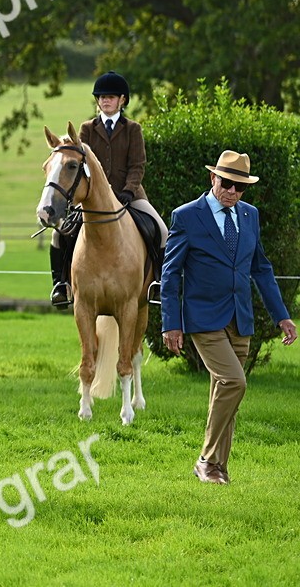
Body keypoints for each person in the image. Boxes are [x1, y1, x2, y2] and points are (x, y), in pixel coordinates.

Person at [161, 150, 296, 484]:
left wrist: (282, 316)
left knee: (225, 393)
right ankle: (206, 459)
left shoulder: (249, 216)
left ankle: (218, 468)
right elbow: (171, 274)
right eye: (227, 184)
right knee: (234, 382)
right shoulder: (187, 217)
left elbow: (261, 269)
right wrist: (171, 323)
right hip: (203, 318)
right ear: (213, 179)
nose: (233, 192)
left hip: (241, 318)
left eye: (240, 187)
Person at [49, 71, 168, 306]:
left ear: (122, 100)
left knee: (161, 230)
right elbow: (81, 165)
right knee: (58, 233)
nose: (105, 101)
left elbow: (137, 165)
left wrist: (129, 190)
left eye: (111, 97)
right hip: (93, 199)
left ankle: (158, 284)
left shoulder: (133, 129)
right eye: (101, 97)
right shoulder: (86, 129)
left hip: (129, 195)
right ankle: (61, 285)